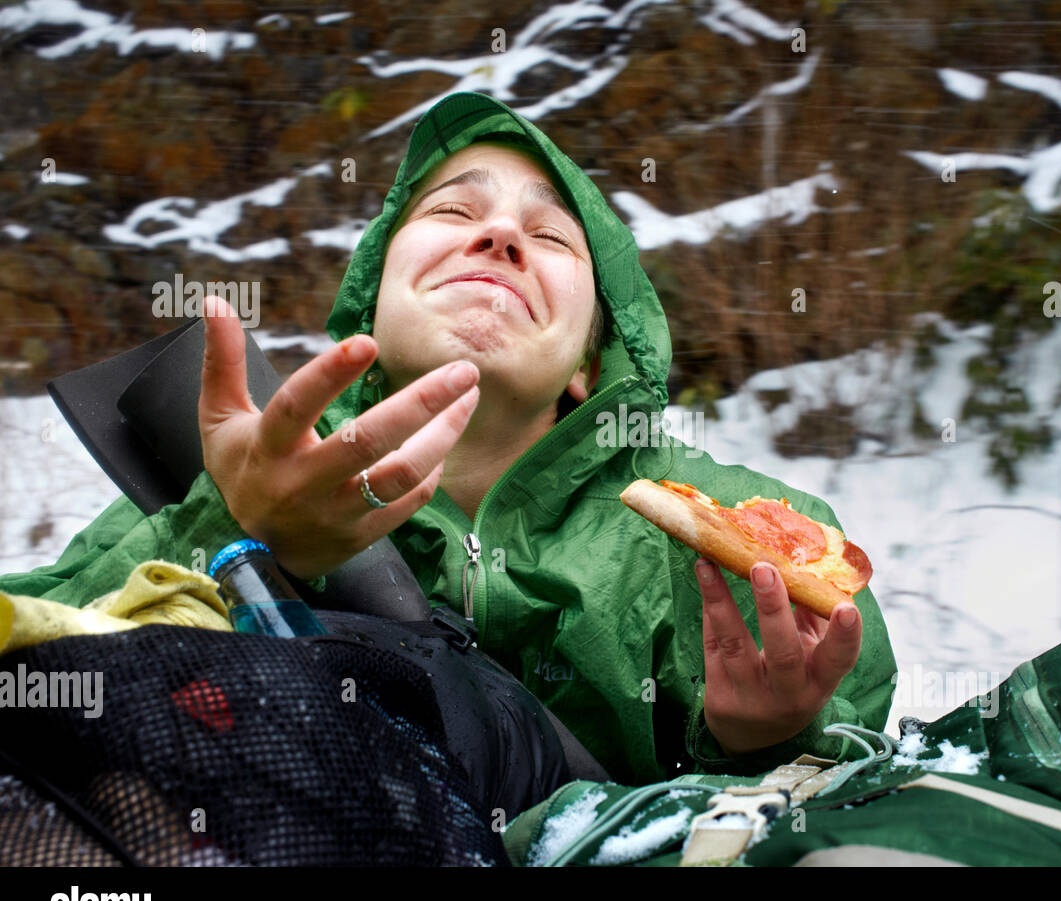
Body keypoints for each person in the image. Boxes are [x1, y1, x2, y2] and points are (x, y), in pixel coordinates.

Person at [0, 92, 896, 785]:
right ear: (375, 300)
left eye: (549, 235)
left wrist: (762, 740)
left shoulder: (745, 543)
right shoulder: (236, 473)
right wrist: (236, 534)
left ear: (592, 361)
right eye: (450, 215)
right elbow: (29, 683)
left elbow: (857, 783)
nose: (500, 233)